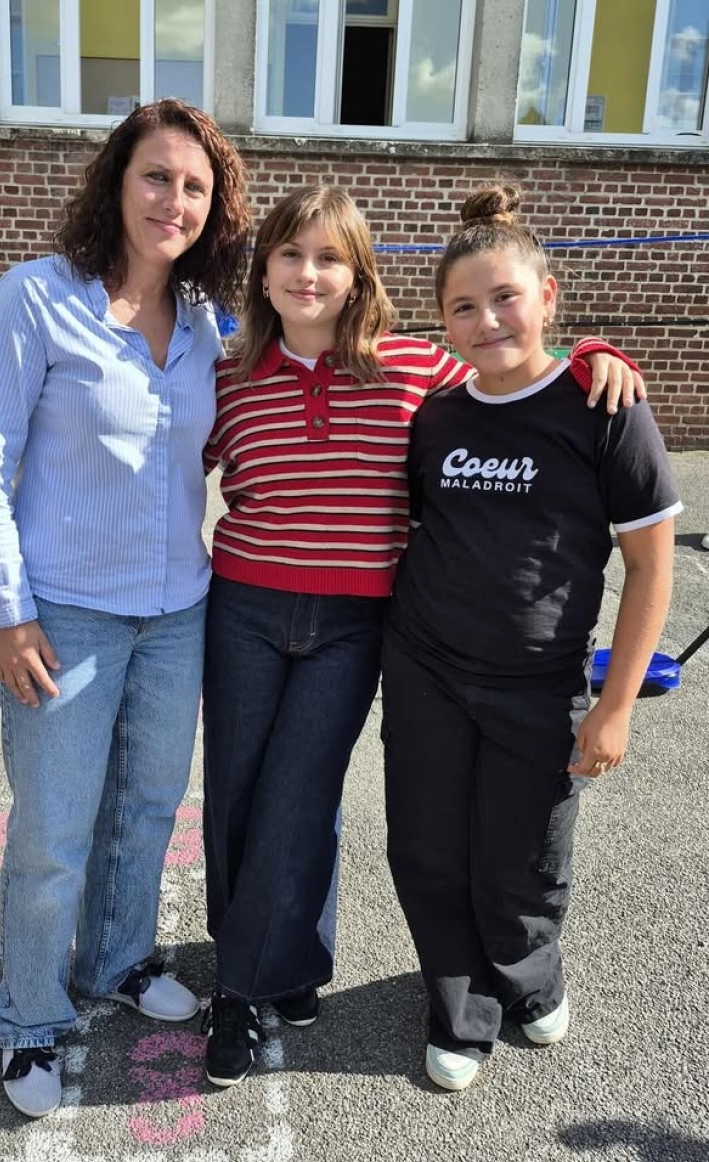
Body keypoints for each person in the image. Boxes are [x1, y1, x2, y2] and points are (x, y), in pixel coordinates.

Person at [199, 183, 645, 1089]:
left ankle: (254, 977)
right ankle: (264, 972)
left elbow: (509, 374)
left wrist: (591, 354)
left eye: (329, 257)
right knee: (237, 796)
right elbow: (162, 452)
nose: (308, 273)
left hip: (355, 620)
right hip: (243, 606)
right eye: (289, 254)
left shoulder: (411, 368)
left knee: (299, 795)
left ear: (359, 275)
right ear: (264, 270)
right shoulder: (227, 372)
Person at [0, 98, 250, 1119]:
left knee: (147, 806)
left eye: (194, 187)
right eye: (156, 176)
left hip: (175, 614)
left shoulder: (206, 322)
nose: (174, 200)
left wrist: (574, 363)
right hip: (64, 614)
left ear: (212, 210)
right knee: (53, 827)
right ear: (116, 183)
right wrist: (7, 611)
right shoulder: (36, 298)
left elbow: (337, 347)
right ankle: (30, 1014)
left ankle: (116, 958)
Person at [382, 182, 681, 1092]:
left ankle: (526, 975)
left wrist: (614, 707)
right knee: (428, 846)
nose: (485, 321)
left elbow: (650, 568)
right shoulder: (436, 416)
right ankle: (458, 1006)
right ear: (441, 322)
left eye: (504, 297)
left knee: (524, 852)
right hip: (427, 670)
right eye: (461, 308)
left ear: (547, 297)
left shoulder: (603, 407)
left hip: (539, 682)